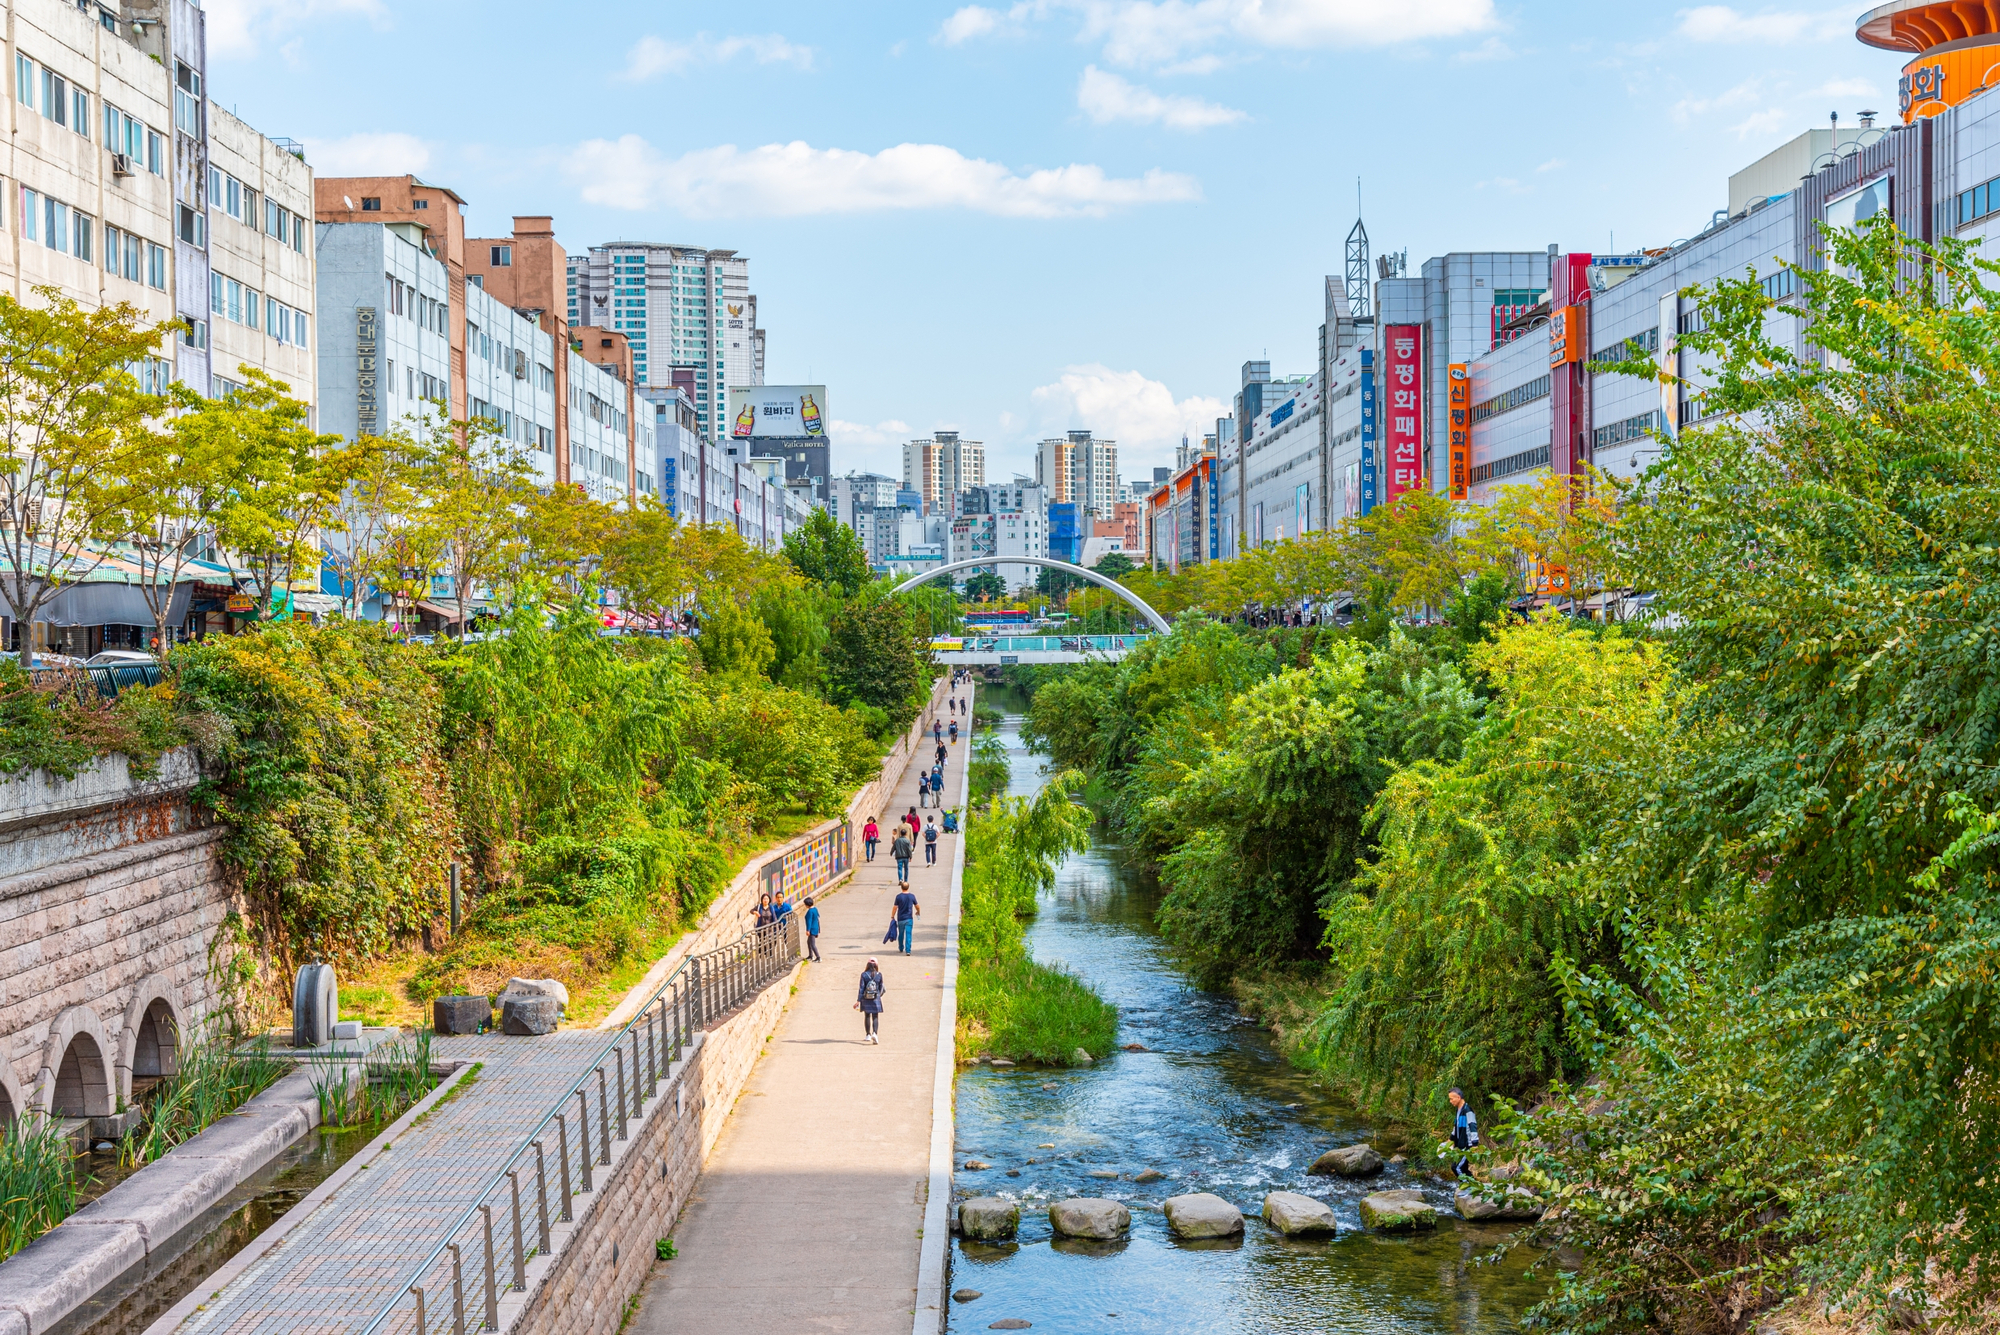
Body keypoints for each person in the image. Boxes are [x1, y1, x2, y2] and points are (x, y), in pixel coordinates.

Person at [1447, 1088, 1480, 1177]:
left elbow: (1473, 1126)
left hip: (1467, 1145)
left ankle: (1469, 1187)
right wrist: (1451, 1139)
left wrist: (1475, 1144)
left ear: (1458, 1097)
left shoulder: (1467, 1110)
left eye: (1451, 1099)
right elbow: (1456, 1127)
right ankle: (1473, 1187)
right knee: (1463, 1168)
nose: (1450, 1101)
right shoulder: (1459, 1110)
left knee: (1457, 1167)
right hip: (1460, 1145)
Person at [854, 958, 885, 1043]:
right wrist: (878, 995)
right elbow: (881, 988)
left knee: (867, 1016)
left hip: (866, 998)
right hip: (876, 998)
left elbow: (861, 988)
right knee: (875, 1016)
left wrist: (858, 1000)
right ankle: (875, 1033)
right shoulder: (879, 974)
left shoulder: (864, 975)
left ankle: (868, 1034)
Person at [893, 883, 920, 954]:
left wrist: (892, 916)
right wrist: (918, 912)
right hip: (909, 918)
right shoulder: (912, 896)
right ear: (908, 887)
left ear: (901, 887)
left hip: (901, 918)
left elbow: (895, 908)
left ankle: (901, 947)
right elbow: (917, 906)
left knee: (901, 934)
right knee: (908, 934)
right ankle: (908, 950)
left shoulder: (898, 897)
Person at [803, 896, 821, 962]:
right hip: (815, 928)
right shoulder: (815, 909)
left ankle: (818, 957)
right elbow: (818, 918)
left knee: (812, 944)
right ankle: (810, 955)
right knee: (808, 942)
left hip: (812, 929)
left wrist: (808, 930)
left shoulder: (810, 911)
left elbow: (809, 921)